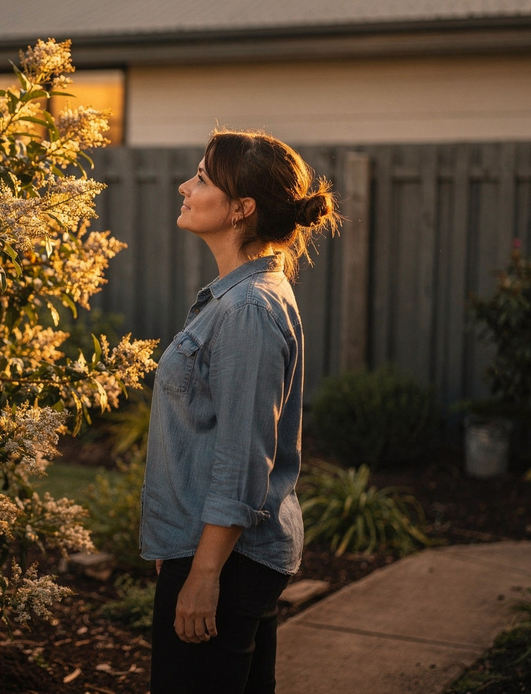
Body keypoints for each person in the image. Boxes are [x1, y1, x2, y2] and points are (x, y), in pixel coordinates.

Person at [141, 130, 340, 693]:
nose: (185, 186)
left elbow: (243, 457)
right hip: (215, 551)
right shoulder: (239, 296)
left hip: (227, 562)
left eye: (202, 178)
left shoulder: (248, 308)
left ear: (241, 208)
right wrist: (178, 547)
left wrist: (203, 573)